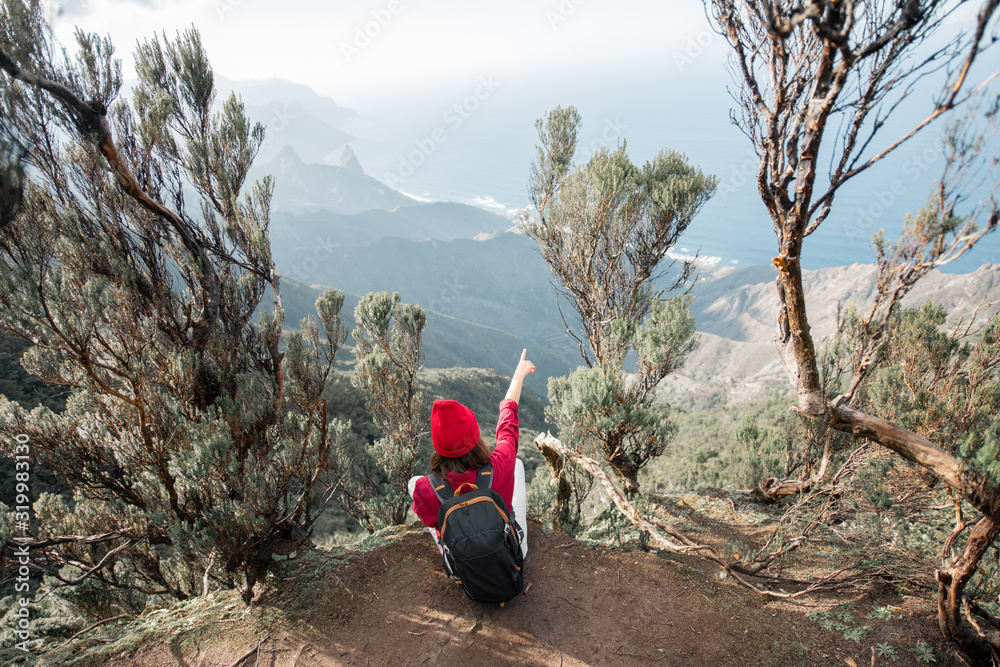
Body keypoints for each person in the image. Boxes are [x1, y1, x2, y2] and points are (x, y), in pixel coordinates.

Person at [408, 349, 535, 559]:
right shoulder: (500, 464)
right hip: (511, 556)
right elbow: (507, 423)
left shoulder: (426, 489)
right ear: (476, 438)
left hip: (464, 569)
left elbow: (429, 519)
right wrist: (517, 377)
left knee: (415, 481)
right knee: (517, 464)